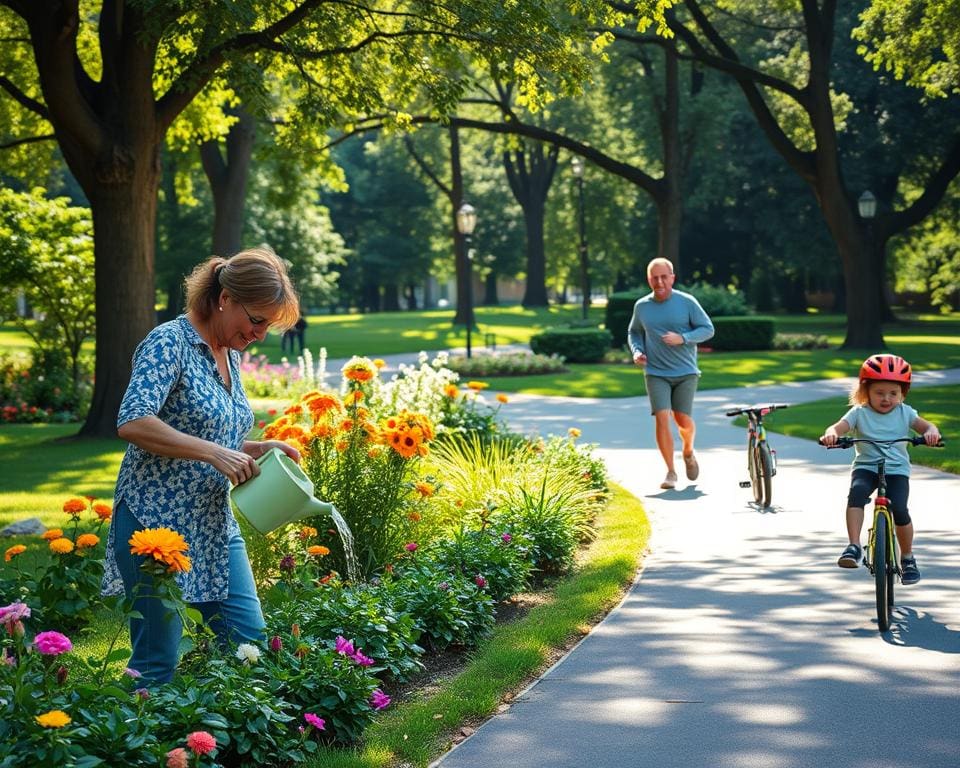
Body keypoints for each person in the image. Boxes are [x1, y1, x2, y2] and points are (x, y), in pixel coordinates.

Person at [101, 246, 302, 684]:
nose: (260, 333)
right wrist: (213, 453)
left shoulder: (227, 352)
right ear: (225, 297)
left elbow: (214, 433)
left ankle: (228, 746)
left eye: (268, 324)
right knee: (156, 664)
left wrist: (256, 447)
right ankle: (142, 749)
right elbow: (133, 421)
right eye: (256, 320)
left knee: (249, 648)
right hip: (156, 526)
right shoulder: (168, 342)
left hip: (213, 524)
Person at [820, 353, 940, 584]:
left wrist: (930, 433)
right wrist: (832, 434)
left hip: (896, 470)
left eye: (893, 393)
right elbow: (839, 427)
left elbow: (926, 426)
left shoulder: (906, 412)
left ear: (902, 393)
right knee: (856, 494)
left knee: (901, 509)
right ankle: (854, 546)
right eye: (879, 393)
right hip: (866, 467)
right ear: (866, 392)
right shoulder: (859, 413)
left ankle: (907, 558)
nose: (886, 398)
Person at [628, 257, 714, 490]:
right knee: (662, 417)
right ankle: (671, 472)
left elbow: (708, 329)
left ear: (672, 278)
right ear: (649, 280)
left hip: (686, 372)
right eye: (654, 277)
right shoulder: (642, 306)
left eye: (664, 276)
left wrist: (683, 338)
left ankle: (688, 450)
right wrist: (637, 351)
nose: (659, 281)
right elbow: (634, 332)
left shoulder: (687, 302)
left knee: (682, 419)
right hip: (656, 372)